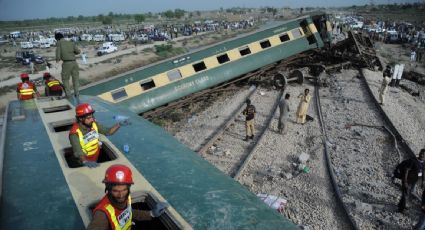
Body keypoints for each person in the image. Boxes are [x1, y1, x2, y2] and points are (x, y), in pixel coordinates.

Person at [87, 164, 168, 229]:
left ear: (128, 188)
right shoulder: (101, 214)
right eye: (115, 191)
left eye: (124, 190)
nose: (121, 195)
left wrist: (151, 214)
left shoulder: (126, 197)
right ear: (108, 189)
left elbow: (128, 212)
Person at [69, 103, 120, 168]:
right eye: (89, 118)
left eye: (92, 116)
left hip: (95, 156)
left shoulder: (94, 124)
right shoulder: (74, 133)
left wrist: (119, 124)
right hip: (84, 161)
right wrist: (85, 161)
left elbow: (108, 132)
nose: (92, 119)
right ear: (81, 119)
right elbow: (78, 152)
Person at [55, 32, 81, 101]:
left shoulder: (59, 43)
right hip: (74, 63)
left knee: (65, 79)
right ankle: (77, 93)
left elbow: (58, 54)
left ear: (57, 39)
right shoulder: (71, 42)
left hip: (66, 63)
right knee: (75, 79)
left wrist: (57, 60)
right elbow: (78, 51)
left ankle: (69, 95)